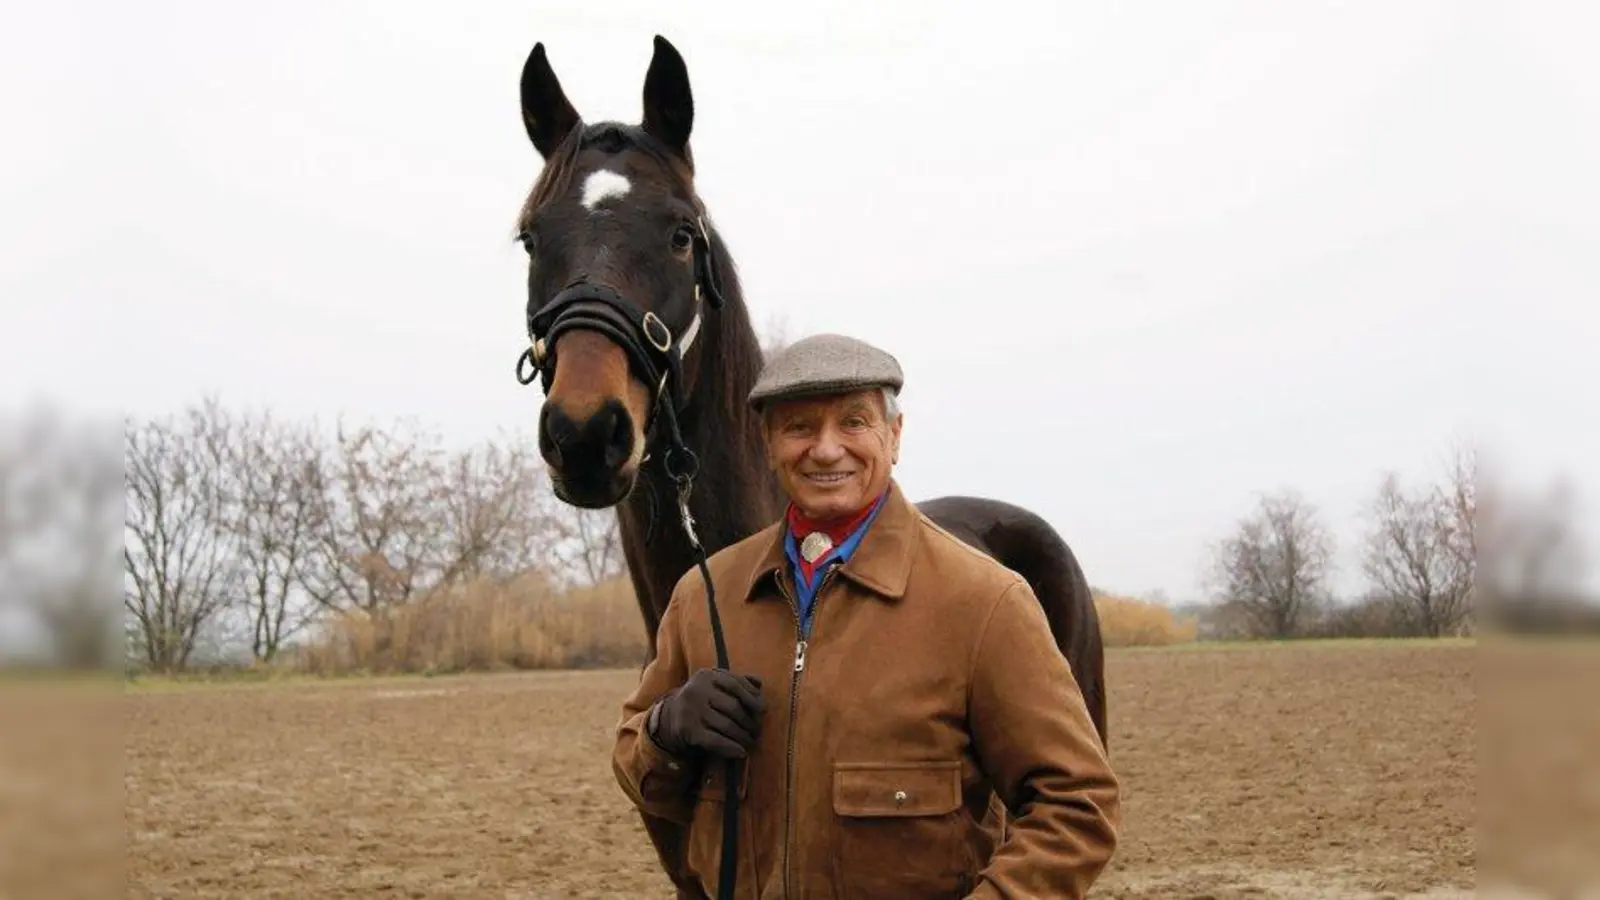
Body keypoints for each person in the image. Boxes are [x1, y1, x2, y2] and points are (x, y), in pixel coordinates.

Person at [611, 332, 1121, 899]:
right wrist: (666, 730)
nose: (826, 449)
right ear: (769, 442)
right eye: (799, 427)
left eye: (853, 423)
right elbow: (637, 768)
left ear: (894, 436)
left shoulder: (984, 600)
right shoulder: (703, 597)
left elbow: (1077, 805)